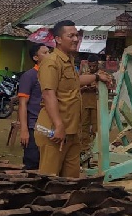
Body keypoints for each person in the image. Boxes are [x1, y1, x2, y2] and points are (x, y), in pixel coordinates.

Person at [35, 20, 112, 177]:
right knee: (49, 180)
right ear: (58, 39)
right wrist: (58, 126)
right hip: (54, 132)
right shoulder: (51, 62)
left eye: (77, 35)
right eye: (71, 36)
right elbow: (49, 95)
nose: (76, 39)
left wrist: (96, 77)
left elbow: (76, 81)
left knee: (71, 179)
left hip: (71, 131)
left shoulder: (68, 61)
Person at [18, 43, 52, 170]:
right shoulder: (30, 76)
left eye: (49, 52)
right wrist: (24, 130)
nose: (49, 55)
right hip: (34, 126)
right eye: (45, 53)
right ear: (35, 57)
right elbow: (22, 104)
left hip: (49, 127)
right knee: (32, 162)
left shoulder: (51, 75)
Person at [79, 54, 101, 156]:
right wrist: (84, 88)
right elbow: (77, 88)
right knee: (84, 127)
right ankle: (85, 148)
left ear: (97, 64)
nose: (92, 68)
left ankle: (97, 148)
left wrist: (95, 87)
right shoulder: (85, 76)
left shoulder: (102, 75)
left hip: (96, 104)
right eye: (90, 66)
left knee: (97, 127)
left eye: (94, 66)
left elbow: (109, 86)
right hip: (84, 104)